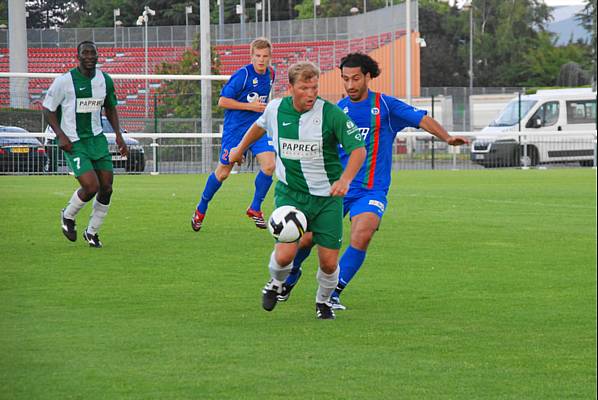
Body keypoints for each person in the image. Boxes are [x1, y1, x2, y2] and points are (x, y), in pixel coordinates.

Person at [279, 53, 469, 309]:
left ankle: (333, 292)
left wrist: (446, 138)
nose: (350, 85)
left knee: (362, 233)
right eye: (345, 79)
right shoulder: (335, 111)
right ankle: (291, 275)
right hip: (336, 188)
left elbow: (421, 119)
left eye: (355, 78)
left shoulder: (387, 107)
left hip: (371, 189)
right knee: (306, 238)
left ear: (368, 76)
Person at [229, 61, 366, 320]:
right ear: (291, 88)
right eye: (304, 88)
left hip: (327, 199)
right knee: (284, 255)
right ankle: (275, 282)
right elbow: (258, 126)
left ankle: (323, 302)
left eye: (314, 87)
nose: (311, 93)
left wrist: (346, 179)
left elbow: (358, 149)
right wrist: (239, 149)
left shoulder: (331, 114)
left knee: (328, 262)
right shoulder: (275, 109)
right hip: (291, 194)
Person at [43, 40, 128, 248]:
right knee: (91, 186)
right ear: (78, 57)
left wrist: (119, 135)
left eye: (93, 53)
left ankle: (92, 232)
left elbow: (110, 108)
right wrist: (60, 135)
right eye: (85, 53)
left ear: (98, 56)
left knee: (106, 187)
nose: (90, 57)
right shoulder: (64, 81)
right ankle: (68, 215)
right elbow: (48, 109)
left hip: (97, 139)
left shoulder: (105, 80)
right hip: (74, 140)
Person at [191, 37, 276, 232]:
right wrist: (250, 106)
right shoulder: (242, 75)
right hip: (236, 132)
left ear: (270, 57)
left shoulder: (271, 74)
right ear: (251, 56)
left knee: (270, 166)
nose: (261, 60)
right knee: (222, 173)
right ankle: (201, 209)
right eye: (257, 56)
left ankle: (255, 208)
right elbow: (222, 101)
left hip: (258, 129)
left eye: (265, 56)